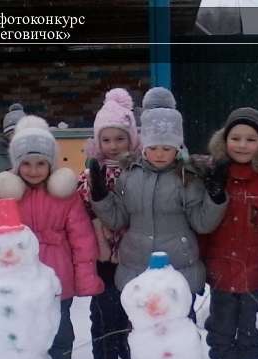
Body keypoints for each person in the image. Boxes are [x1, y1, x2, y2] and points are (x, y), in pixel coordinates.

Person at [90, 87, 228, 321]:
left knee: (179, 326)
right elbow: (118, 218)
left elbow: (202, 223)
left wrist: (214, 198)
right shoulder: (129, 175)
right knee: (141, 327)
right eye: (153, 148)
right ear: (143, 147)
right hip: (136, 265)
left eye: (167, 148)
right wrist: (101, 196)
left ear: (178, 148)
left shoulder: (187, 177)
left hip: (178, 266)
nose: (160, 154)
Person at [2, 114, 104, 359]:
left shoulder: (65, 196)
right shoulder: (10, 196)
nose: (34, 170)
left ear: (51, 164)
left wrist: (85, 278)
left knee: (60, 331)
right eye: (26, 163)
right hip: (22, 277)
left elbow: (82, 240)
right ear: (16, 164)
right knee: (27, 329)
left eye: (40, 163)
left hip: (59, 279)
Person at [201, 107, 258, 359]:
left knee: (253, 327)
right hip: (221, 269)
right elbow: (203, 223)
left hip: (256, 271)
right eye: (236, 138)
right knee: (221, 325)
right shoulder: (213, 174)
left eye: (250, 139)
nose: (242, 145)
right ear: (225, 141)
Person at [78, 88, 141, 359]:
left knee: (132, 307)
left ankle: (130, 353)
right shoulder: (91, 172)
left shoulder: (139, 172)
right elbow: (81, 206)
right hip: (101, 252)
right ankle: (104, 356)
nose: (113, 146)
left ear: (132, 139)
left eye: (120, 138)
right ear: (97, 141)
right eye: (106, 139)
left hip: (132, 251)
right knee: (103, 308)